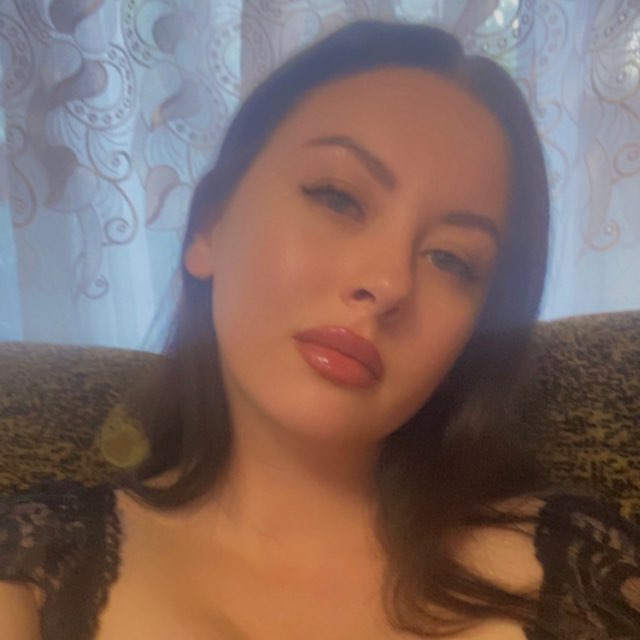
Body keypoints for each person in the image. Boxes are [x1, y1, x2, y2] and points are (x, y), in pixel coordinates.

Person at [1, 19, 639, 640]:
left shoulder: (583, 569)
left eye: (451, 259)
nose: (388, 282)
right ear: (210, 228)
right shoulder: (37, 565)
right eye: (338, 198)